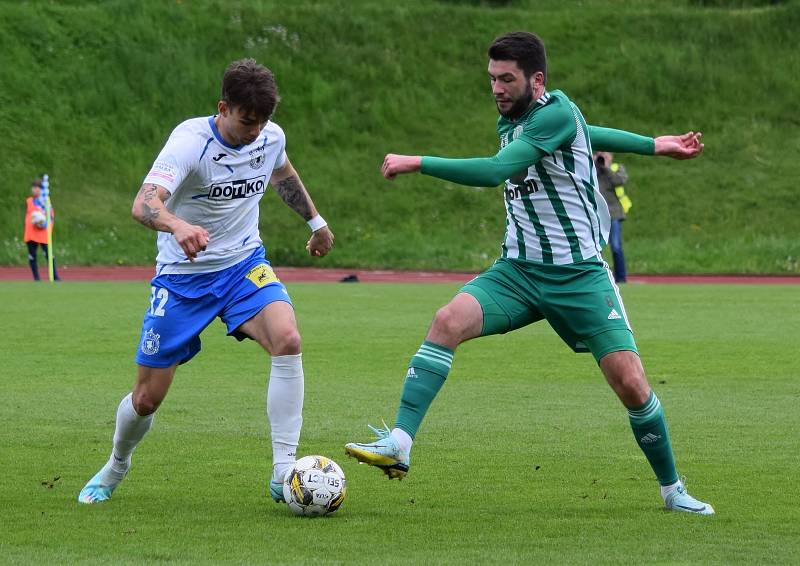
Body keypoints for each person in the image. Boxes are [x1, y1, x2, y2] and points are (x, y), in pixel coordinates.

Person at [345, 32, 713, 515]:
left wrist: (418, 162)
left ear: (536, 80)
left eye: (507, 79)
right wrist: (655, 144)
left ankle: (672, 491)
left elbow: (496, 171)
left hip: (579, 276)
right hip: (517, 271)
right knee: (447, 321)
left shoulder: (555, 112)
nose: (496, 88)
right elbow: (591, 131)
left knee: (631, 383)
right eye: (492, 78)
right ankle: (399, 442)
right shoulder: (520, 119)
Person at [78, 58, 335, 504]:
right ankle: (116, 465)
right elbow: (144, 204)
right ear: (223, 107)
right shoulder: (189, 143)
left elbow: (283, 173)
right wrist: (178, 226)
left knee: (288, 338)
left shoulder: (269, 137)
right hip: (183, 278)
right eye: (246, 121)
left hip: (243, 266)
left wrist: (316, 222)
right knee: (147, 399)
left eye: (263, 122)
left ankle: (283, 472)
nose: (255, 131)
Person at [594, 151, 630, 283]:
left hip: (614, 213)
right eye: (599, 153)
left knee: (616, 246)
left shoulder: (617, 168)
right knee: (597, 248)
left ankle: (621, 278)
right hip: (596, 214)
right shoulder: (592, 168)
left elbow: (619, 181)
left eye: (605, 153)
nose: (602, 156)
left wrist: (607, 166)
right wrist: (594, 163)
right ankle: (601, 278)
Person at [24, 179, 60, 281]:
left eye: (37, 188)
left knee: (48, 254)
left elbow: (51, 216)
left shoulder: (45, 202)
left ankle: (55, 276)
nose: (34, 190)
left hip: (43, 233)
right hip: (31, 233)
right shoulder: (29, 201)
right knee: (32, 255)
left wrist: (44, 223)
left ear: (41, 190)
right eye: (33, 188)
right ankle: (36, 278)